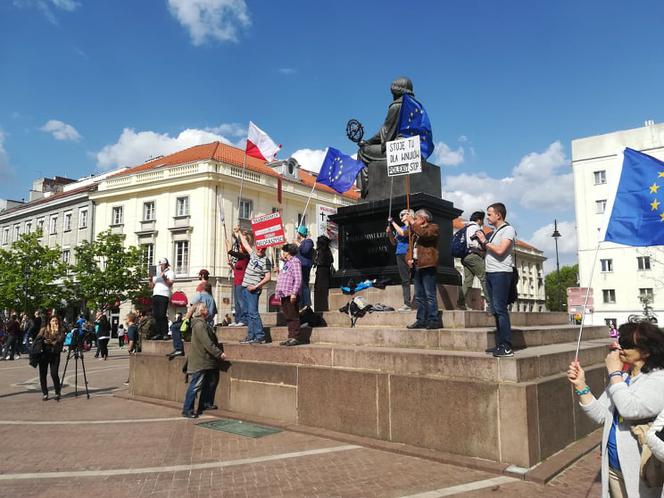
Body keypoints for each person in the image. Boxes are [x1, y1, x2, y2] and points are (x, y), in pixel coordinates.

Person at [567, 322, 664, 498]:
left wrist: (614, 374)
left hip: (640, 470)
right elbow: (602, 415)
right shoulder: (624, 377)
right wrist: (581, 385)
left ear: (646, 351)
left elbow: (631, 410)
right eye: (620, 341)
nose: (619, 347)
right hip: (614, 466)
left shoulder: (659, 378)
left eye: (626, 344)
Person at [475, 203, 516, 358]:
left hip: (501, 273)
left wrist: (485, 241)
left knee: (500, 309)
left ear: (499, 215)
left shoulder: (508, 230)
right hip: (491, 272)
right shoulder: (494, 232)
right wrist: (482, 244)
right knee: (495, 310)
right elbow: (490, 249)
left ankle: (506, 346)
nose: (487, 217)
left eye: (490, 214)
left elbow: (500, 250)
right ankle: (500, 344)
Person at [182, 303, 225, 418]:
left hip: (206, 360)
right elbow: (207, 342)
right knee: (196, 385)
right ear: (201, 312)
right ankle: (187, 409)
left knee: (209, 383)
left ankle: (204, 403)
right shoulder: (199, 325)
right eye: (205, 308)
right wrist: (219, 353)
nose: (207, 309)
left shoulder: (202, 323)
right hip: (200, 360)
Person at [404, 209, 442, 330]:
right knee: (419, 295)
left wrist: (412, 223)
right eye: (414, 218)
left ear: (423, 219)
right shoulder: (415, 232)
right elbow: (409, 248)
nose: (414, 220)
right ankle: (421, 319)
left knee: (430, 294)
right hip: (416, 266)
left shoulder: (433, 228)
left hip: (427, 264)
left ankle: (433, 320)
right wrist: (408, 259)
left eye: (416, 218)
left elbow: (425, 235)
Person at [236, 228, 272, 344]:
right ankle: (251, 336)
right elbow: (245, 244)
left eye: (263, 248)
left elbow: (268, 277)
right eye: (259, 247)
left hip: (253, 290)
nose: (261, 249)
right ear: (256, 246)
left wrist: (256, 286)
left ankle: (260, 336)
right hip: (245, 288)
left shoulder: (265, 260)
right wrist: (239, 233)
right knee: (249, 314)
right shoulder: (253, 254)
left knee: (253, 313)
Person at [456, 211, 491, 311]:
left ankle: (460, 303)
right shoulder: (476, 228)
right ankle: (490, 304)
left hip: (465, 257)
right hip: (474, 255)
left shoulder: (465, 227)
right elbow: (480, 242)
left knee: (467, 281)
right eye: (483, 220)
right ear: (479, 219)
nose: (483, 222)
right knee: (484, 277)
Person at [275, 244, 303, 346]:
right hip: (284, 293)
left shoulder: (295, 262)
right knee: (288, 316)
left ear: (288, 252)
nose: (282, 253)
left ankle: (295, 337)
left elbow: (298, 278)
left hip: (290, 293)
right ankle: (290, 336)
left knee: (293, 315)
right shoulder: (287, 263)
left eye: (284, 251)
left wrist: (294, 293)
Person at [386, 209, 414, 311]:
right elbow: (394, 242)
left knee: (414, 278)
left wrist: (393, 222)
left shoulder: (411, 227)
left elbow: (403, 233)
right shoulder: (401, 227)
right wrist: (389, 233)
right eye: (400, 215)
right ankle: (407, 303)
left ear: (409, 215)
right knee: (404, 279)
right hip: (399, 254)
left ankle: (418, 301)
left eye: (402, 215)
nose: (401, 216)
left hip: (408, 253)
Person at [36, 314, 65, 401]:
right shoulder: (44, 329)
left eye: (56, 321)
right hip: (44, 354)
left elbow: (60, 340)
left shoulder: (61, 330)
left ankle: (57, 392)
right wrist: (43, 341)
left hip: (55, 354)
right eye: (53, 321)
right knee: (43, 374)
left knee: (54, 373)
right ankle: (45, 393)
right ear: (49, 322)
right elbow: (38, 339)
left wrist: (55, 333)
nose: (55, 322)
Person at [148, 257, 174, 341]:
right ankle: (158, 333)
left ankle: (165, 333)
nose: (160, 266)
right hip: (155, 294)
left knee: (162, 314)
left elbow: (170, 284)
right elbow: (151, 286)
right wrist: (150, 280)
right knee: (156, 315)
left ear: (165, 264)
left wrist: (164, 277)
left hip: (164, 294)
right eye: (159, 264)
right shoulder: (156, 273)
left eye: (162, 264)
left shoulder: (170, 272)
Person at [228, 231, 250, 327]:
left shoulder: (246, 256)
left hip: (242, 281)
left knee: (241, 301)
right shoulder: (240, 259)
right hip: (237, 281)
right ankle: (237, 319)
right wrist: (232, 266)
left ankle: (243, 319)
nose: (239, 248)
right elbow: (237, 270)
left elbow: (233, 252)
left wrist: (229, 248)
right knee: (236, 302)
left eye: (240, 247)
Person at [313, 235, 334, 312]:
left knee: (320, 290)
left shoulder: (320, 251)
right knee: (324, 290)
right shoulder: (328, 250)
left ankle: (322, 307)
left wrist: (316, 262)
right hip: (326, 272)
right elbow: (332, 260)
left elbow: (320, 261)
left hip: (321, 272)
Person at [296, 226, 314, 310]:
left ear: (300, 234)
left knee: (304, 284)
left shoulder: (308, 241)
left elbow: (305, 250)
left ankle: (306, 303)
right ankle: (301, 303)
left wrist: (298, 244)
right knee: (299, 285)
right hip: (298, 265)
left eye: (297, 232)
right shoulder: (300, 242)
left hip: (304, 266)